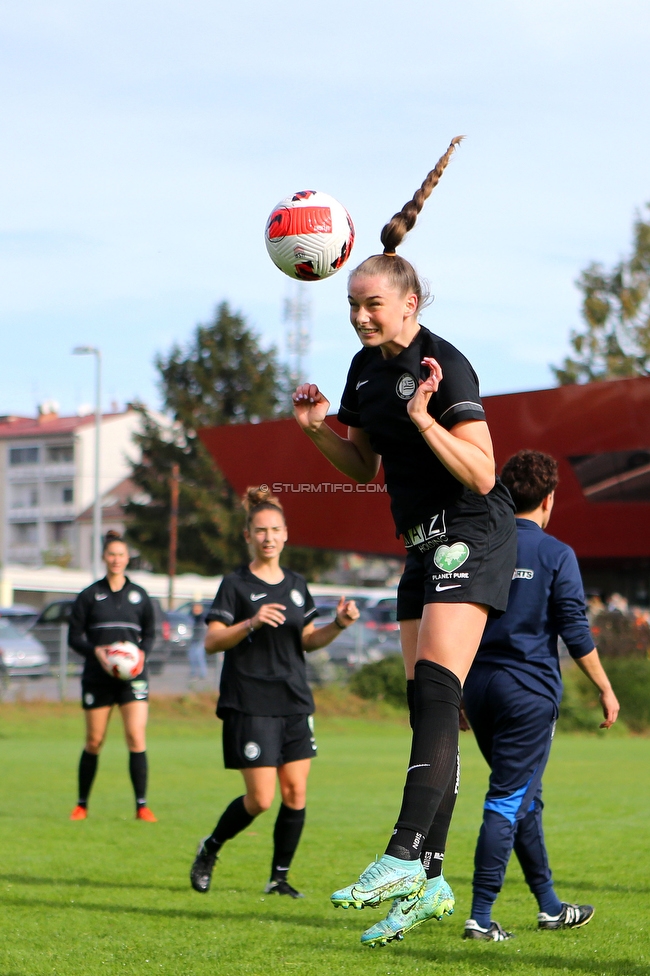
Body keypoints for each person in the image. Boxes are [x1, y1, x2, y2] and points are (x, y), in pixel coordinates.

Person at [292, 138, 517, 946]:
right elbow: (358, 468)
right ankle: (428, 883)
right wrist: (318, 431)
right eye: (353, 304)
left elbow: (486, 475)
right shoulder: (359, 370)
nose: (359, 314)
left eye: (372, 304)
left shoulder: (442, 364)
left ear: (410, 305)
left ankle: (400, 854)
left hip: (471, 533)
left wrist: (424, 417)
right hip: (421, 545)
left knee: (431, 687)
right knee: (435, 704)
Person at [462, 450, 620, 941]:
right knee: (508, 799)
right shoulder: (556, 554)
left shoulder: (483, 546)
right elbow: (575, 632)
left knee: (526, 797)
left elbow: (457, 619)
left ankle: (550, 906)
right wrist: (605, 687)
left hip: (479, 688)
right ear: (550, 500)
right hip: (528, 693)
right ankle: (480, 917)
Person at [190, 487, 360, 899]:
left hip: (294, 699)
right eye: (260, 530)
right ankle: (210, 847)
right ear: (247, 536)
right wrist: (251, 622)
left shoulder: (298, 585)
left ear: (286, 535)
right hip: (250, 700)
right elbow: (212, 641)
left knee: (296, 791)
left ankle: (278, 879)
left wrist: (338, 625)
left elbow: (306, 640)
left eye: (275, 530)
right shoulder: (235, 584)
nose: (268, 537)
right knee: (262, 798)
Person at [68, 530, 158, 822]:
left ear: (127, 557)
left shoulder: (140, 596)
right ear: (104, 558)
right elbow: (74, 637)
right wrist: (96, 652)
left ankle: (142, 806)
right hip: (98, 676)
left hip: (133, 677)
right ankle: (82, 804)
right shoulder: (90, 595)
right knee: (94, 740)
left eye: (121, 554)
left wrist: (142, 653)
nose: (116, 559)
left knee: (135, 736)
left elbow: (151, 633)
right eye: (111, 555)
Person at [188, 597, 208, 681]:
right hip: (195, 639)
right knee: (192, 655)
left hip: (200, 640)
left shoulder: (202, 617)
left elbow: (203, 629)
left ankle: (202, 674)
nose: (195, 609)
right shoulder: (194, 617)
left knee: (199, 656)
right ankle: (194, 673)